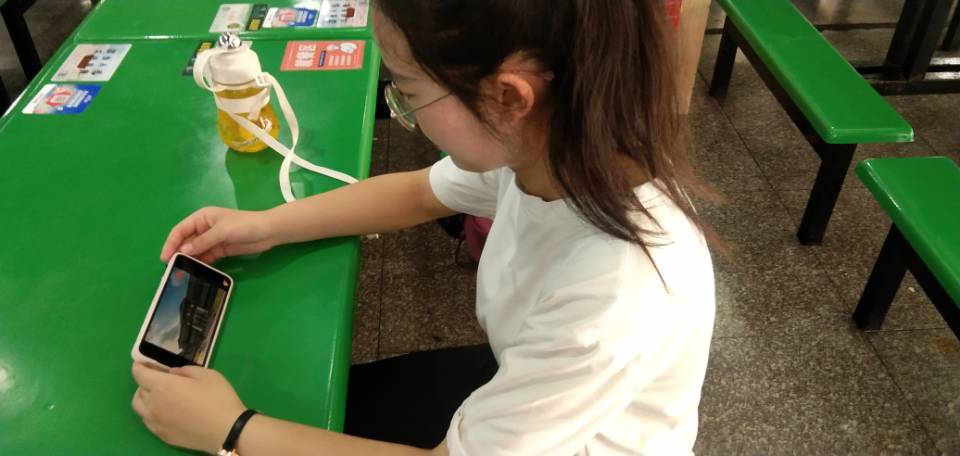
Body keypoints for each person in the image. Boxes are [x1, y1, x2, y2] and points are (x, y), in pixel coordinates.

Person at [130, 0, 717, 454]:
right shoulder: (553, 147)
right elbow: (417, 192)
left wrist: (233, 430)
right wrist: (265, 226)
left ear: (509, 97)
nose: (405, 110)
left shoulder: (614, 295)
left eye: (407, 93)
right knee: (328, 404)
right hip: (522, 387)